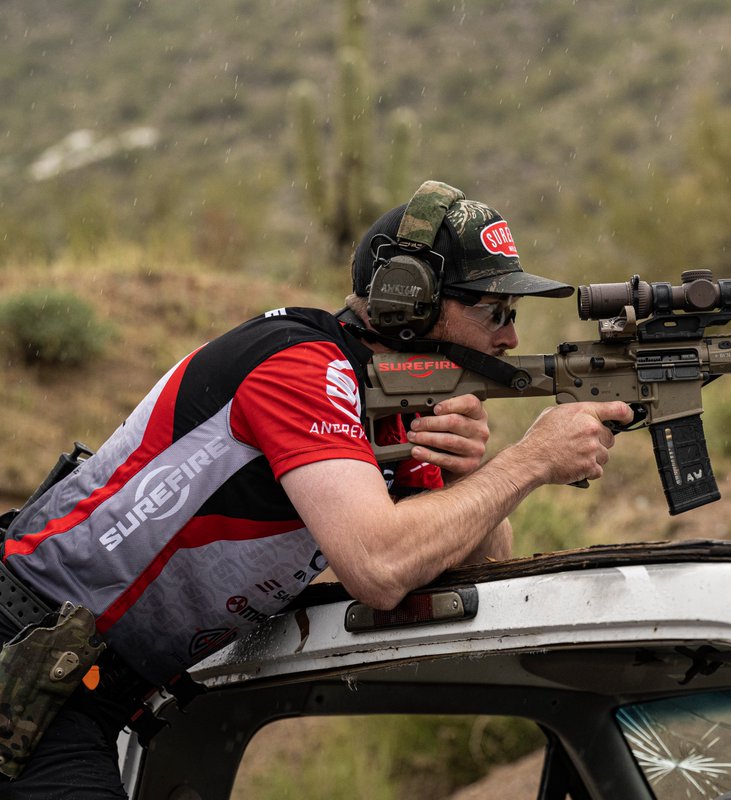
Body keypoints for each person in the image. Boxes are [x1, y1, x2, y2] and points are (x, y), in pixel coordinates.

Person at [0, 180, 633, 798]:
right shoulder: (304, 367)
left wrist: (473, 473)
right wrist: (528, 462)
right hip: (24, 648)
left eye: (513, 314)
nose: (511, 337)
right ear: (407, 302)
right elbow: (379, 566)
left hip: (78, 685)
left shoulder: (385, 410)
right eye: (492, 312)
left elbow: (481, 571)